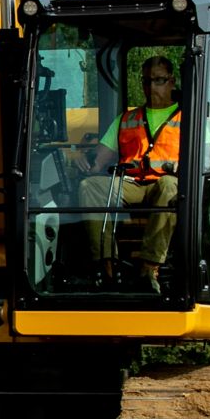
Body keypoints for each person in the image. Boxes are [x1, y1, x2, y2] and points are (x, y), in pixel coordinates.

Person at [75, 57, 181, 288]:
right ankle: (106, 267)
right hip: (130, 183)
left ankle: (149, 267)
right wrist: (86, 162)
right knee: (90, 186)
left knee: (170, 187)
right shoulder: (126, 119)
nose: (151, 87)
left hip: (163, 185)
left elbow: (206, 161)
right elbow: (99, 160)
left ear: (172, 81)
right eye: (146, 81)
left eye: (159, 80)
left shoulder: (188, 119)